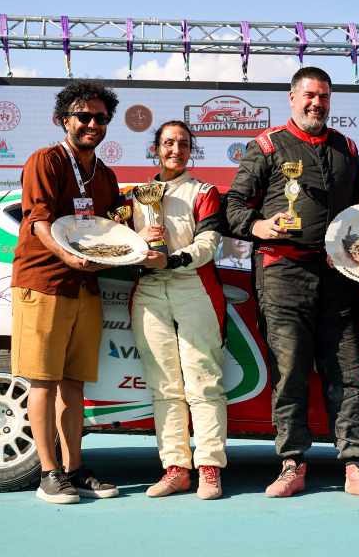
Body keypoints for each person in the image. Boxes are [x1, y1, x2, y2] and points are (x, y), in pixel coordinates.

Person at [224, 66, 359, 502]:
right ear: (292, 98)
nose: (316, 103)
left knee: (348, 373)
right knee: (289, 374)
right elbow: (232, 207)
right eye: (309, 95)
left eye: (323, 96)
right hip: (283, 274)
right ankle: (291, 463)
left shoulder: (346, 147)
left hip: (340, 275)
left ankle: (357, 466)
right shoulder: (266, 146)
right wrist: (259, 226)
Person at [11, 80, 124, 504]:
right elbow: (38, 220)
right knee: (42, 382)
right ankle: (48, 472)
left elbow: (112, 227)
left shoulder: (106, 175)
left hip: (86, 286)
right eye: (83, 116)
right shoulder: (46, 160)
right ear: (63, 120)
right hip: (45, 282)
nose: (93, 124)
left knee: (73, 385)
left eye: (101, 118)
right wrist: (68, 257)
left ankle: (74, 468)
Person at [130, 121, 228, 500]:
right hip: (149, 291)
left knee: (203, 380)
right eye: (168, 143)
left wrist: (170, 260)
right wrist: (138, 242)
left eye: (183, 144)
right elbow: (117, 242)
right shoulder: (135, 196)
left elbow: (208, 243)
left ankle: (209, 467)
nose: (176, 149)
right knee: (164, 386)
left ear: (191, 150)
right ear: (155, 148)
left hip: (194, 287)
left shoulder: (204, 192)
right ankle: (175, 469)